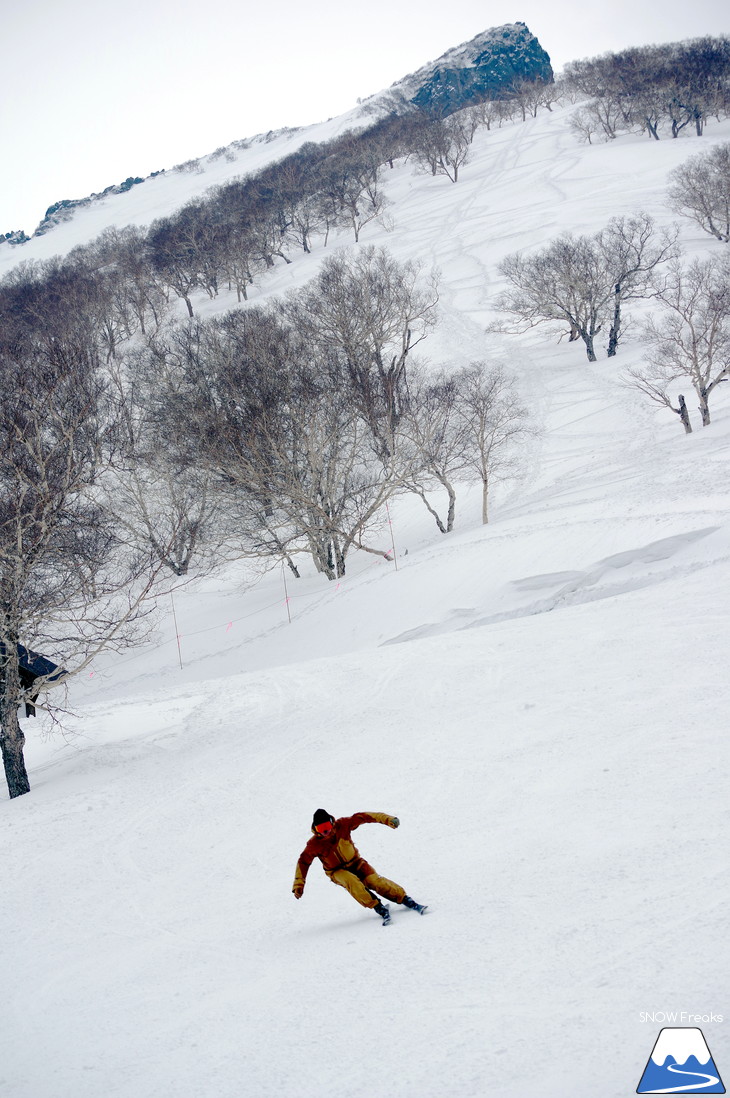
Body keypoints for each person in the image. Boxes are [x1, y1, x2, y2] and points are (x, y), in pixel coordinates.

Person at [292, 808, 427, 925]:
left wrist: (387, 819)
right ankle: (378, 907)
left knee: (374, 881)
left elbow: (364, 817)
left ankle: (404, 898)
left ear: (332, 822)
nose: (325, 832)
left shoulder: (343, 825)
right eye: (320, 829)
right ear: (315, 829)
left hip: (356, 863)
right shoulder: (314, 844)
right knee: (352, 882)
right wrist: (299, 884)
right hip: (336, 871)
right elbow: (303, 862)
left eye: (326, 826)